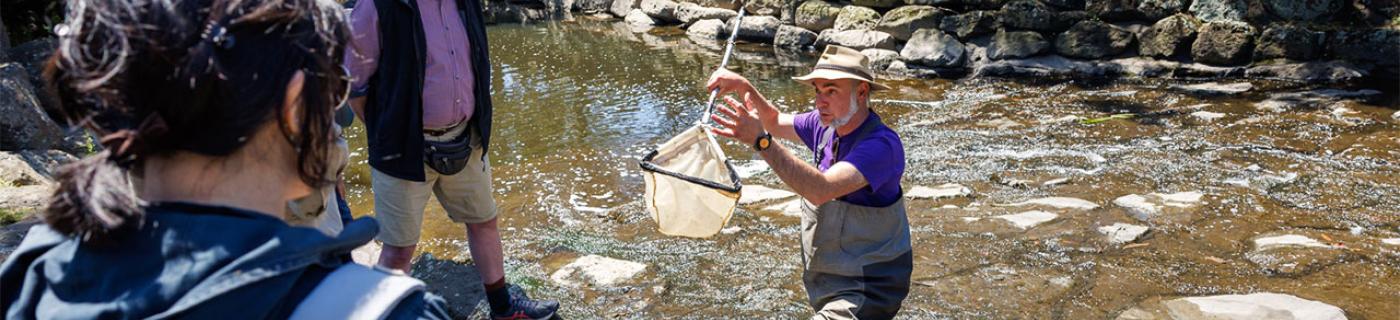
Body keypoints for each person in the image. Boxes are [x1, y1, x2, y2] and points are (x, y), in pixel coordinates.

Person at [0, 0, 452, 318]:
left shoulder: (33, 274)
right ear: (294, 109)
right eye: (333, 86)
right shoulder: (383, 311)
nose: (335, 116)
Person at [343, 0, 560, 317]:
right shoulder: (377, 6)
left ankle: (503, 309)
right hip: (402, 149)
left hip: (465, 138)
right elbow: (353, 83)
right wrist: (387, 128)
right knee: (399, 249)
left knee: (485, 222)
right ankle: (386, 313)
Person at [706, 45, 914, 320]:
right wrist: (743, 86)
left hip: (870, 288)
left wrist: (761, 142)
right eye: (817, 90)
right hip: (829, 281)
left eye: (831, 90)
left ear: (862, 92)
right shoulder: (824, 125)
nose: (820, 101)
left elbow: (820, 190)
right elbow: (775, 120)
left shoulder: (881, 146)